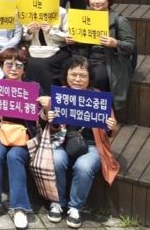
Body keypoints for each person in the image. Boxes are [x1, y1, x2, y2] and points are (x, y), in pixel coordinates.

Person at [43, 56, 119, 228]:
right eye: (73, 74)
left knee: (84, 166)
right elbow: (52, 128)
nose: (77, 79)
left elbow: (112, 131)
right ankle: (57, 202)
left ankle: (75, 207)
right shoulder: (60, 94)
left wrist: (111, 126)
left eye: (83, 75)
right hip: (62, 142)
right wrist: (50, 117)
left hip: (92, 145)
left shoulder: (98, 97)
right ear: (66, 75)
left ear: (90, 78)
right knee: (56, 160)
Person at [0, 48, 46, 230]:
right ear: (2, 66)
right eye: (9, 64)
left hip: (25, 136)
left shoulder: (34, 88)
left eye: (19, 65)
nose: (14, 68)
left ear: (25, 69)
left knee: (14, 156)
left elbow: (41, 119)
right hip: (2, 133)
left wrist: (45, 109)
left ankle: (20, 207)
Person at [66, 0, 136, 113]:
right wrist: (71, 41)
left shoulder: (119, 20)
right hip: (86, 58)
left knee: (96, 76)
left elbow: (130, 46)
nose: (96, 2)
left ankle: (100, 114)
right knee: (69, 70)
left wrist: (115, 43)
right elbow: (78, 44)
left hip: (110, 60)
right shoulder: (84, 17)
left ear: (108, 0)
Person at [23, 0, 70, 92]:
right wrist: (29, 32)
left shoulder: (61, 11)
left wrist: (51, 31)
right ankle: (33, 95)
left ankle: (50, 96)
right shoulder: (28, 12)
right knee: (31, 63)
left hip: (56, 49)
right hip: (34, 49)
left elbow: (68, 36)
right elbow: (24, 37)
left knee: (44, 64)